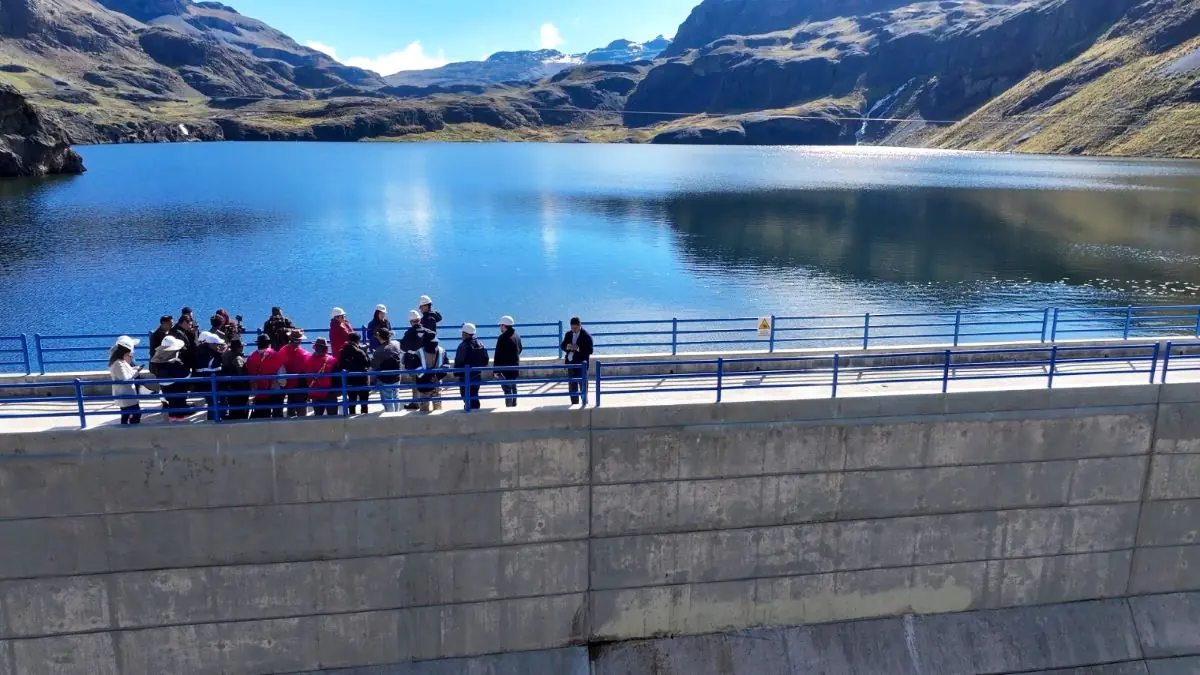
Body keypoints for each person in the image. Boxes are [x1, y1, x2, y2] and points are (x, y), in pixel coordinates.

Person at [152, 335, 192, 421]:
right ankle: (181, 419)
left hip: (164, 387)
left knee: (172, 403)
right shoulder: (175, 362)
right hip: (177, 386)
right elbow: (184, 374)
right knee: (179, 402)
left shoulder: (157, 360)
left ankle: (173, 417)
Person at [246, 333, 284, 419]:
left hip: (259, 393)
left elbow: (250, 377)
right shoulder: (276, 355)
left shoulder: (251, 358)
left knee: (262, 416)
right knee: (277, 415)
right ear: (269, 343)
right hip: (274, 392)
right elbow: (282, 377)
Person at [399, 309, 431, 411]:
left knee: (415, 382)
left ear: (410, 322)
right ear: (420, 320)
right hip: (426, 361)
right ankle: (426, 401)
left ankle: (416, 402)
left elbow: (403, 347)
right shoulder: (427, 332)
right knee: (426, 381)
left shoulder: (409, 333)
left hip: (414, 362)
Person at [109, 336, 143, 425]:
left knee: (126, 414)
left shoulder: (120, 361)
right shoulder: (118, 363)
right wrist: (136, 371)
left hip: (126, 394)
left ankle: (126, 429)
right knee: (136, 413)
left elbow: (127, 372)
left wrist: (135, 369)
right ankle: (132, 429)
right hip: (125, 394)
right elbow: (125, 378)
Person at [454, 323, 489, 410]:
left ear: (465, 334)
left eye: (462, 333)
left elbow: (458, 361)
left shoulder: (463, 346)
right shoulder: (480, 344)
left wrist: (456, 373)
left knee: (465, 396)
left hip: (465, 376)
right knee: (474, 395)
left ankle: (470, 412)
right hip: (477, 375)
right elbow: (486, 360)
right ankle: (476, 412)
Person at [195, 330, 228, 421]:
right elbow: (213, 368)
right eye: (216, 344)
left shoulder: (201, 351)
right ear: (211, 344)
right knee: (213, 403)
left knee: (213, 403)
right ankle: (214, 420)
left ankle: (214, 419)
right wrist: (221, 354)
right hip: (209, 383)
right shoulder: (210, 355)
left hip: (205, 383)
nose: (218, 346)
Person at [561, 317, 594, 406]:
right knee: (572, 385)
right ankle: (574, 403)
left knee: (583, 384)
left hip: (581, 364)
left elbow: (590, 350)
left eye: (575, 328)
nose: (573, 330)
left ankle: (584, 403)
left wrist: (578, 348)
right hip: (571, 363)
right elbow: (562, 345)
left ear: (580, 326)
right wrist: (567, 347)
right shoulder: (568, 334)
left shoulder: (586, 336)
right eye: (572, 328)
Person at [336, 332, 371, 415]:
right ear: (358, 341)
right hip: (362, 379)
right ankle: (364, 415)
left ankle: (351, 415)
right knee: (364, 400)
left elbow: (340, 365)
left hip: (349, 380)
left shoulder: (342, 351)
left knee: (352, 399)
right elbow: (368, 363)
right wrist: (365, 352)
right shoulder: (360, 352)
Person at [370, 328, 403, 413]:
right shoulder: (396, 344)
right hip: (397, 375)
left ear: (380, 337)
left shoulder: (379, 351)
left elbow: (374, 366)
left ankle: (391, 415)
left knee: (387, 398)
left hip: (385, 378)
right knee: (396, 396)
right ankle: (397, 413)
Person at [279, 330, 311, 417]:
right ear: (299, 341)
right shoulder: (304, 354)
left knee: (291, 409)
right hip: (300, 385)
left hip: (287, 385)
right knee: (302, 411)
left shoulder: (282, 350)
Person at [415, 333, 449, 412]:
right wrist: (437, 377)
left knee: (424, 410)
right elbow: (446, 366)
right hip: (436, 383)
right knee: (437, 409)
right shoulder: (442, 351)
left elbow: (417, 368)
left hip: (423, 385)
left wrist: (427, 377)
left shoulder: (418, 352)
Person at [494, 315, 524, 408]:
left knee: (507, 390)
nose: (500, 327)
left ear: (504, 325)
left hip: (505, 369)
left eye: (500, 325)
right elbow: (520, 349)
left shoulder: (502, 338)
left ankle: (509, 408)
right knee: (514, 388)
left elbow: (497, 355)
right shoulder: (517, 335)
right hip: (515, 367)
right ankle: (514, 406)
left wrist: (496, 371)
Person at [306, 338, 340, 416]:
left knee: (318, 418)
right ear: (325, 348)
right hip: (330, 393)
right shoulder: (332, 360)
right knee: (333, 417)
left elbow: (306, 378)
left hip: (315, 392)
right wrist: (338, 391)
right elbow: (337, 378)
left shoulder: (308, 360)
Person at [220, 339, 249, 421]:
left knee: (233, 408)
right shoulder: (238, 359)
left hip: (229, 387)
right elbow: (241, 375)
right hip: (239, 389)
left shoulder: (226, 355)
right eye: (242, 346)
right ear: (239, 348)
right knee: (241, 410)